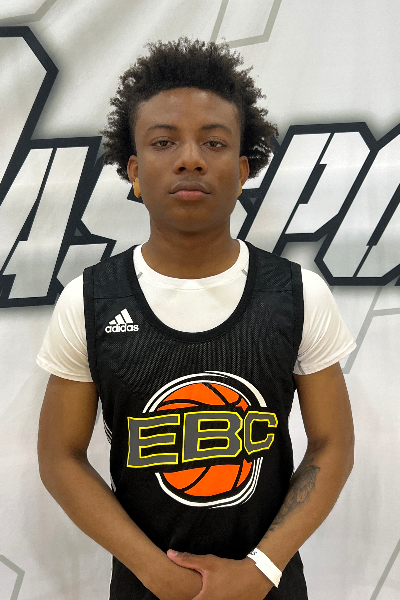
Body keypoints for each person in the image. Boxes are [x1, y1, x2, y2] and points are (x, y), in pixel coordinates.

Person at [37, 38, 355, 600]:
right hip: (146, 587)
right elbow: (59, 458)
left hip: (269, 584)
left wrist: (261, 569)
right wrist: (158, 573)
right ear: (134, 171)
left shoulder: (298, 293)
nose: (190, 159)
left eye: (214, 142)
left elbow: (333, 444)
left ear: (243, 169)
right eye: (164, 142)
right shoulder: (88, 300)